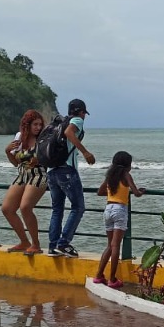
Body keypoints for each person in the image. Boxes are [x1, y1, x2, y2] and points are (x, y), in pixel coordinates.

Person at [47, 98, 95, 257]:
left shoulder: (59, 123)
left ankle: (53, 246)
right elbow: (69, 133)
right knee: (78, 207)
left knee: (57, 209)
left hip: (52, 171)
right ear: (81, 112)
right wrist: (86, 152)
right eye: (84, 113)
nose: (84, 116)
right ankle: (63, 243)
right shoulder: (77, 121)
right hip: (66, 170)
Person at [93, 151, 145, 288]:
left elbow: (100, 192)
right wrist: (141, 191)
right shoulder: (126, 175)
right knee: (116, 246)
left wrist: (113, 193)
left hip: (108, 209)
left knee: (109, 245)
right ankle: (112, 279)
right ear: (127, 165)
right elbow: (136, 193)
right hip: (120, 210)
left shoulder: (110, 176)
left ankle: (98, 275)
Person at [1, 110, 47, 254]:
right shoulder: (20, 138)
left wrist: (38, 159)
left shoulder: (44, 139)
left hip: (39, 174)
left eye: (40, 124)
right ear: (27, 125)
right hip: (22, 174)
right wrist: (8, 152)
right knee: (7, 209)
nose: (38, 127)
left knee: (25, 207)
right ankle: (24, 241)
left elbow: (48, 160)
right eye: (35, 124)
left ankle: (36, 244)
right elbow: (16, 163)